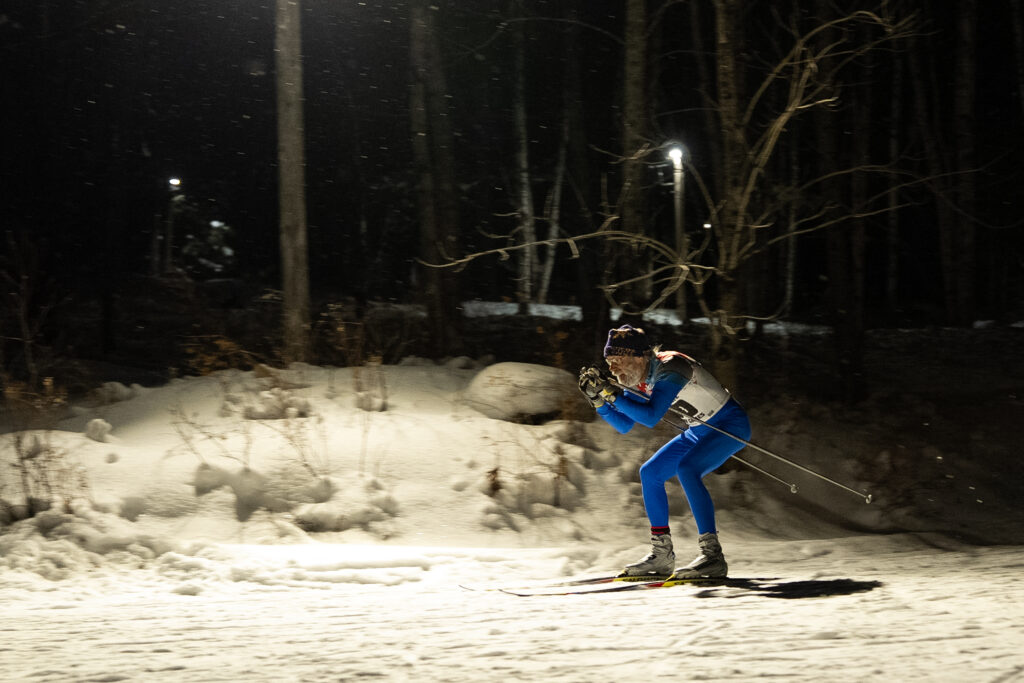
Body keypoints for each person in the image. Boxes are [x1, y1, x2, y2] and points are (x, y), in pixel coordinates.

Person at [578, 324, 751, 579]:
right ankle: (662, 556)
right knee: (650, 473)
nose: (612, 368)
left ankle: (713, 556)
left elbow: (650, 417)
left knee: (687, 469)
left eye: (618, 360)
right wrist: (598, 400)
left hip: (729, 425)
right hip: (698, 430)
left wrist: (609, 392)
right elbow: (625, 424)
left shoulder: (672, 366)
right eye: (609, 361)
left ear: (640, 357)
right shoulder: (635, 378)